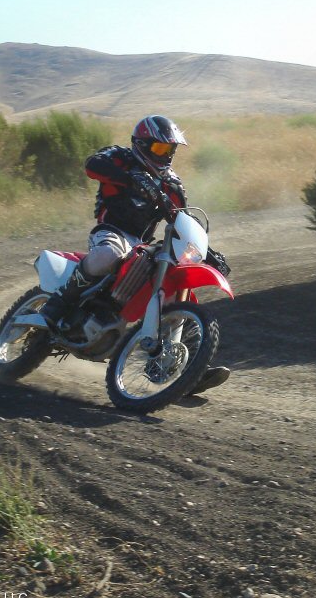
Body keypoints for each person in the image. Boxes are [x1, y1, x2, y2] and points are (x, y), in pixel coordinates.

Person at [39, 114, 231, 394]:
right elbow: (93, 165)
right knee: (107, 256)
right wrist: (131, 179)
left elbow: (181, 220)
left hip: (141, 244)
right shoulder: (119, 157)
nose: (166, 156)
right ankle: (56, 305)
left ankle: (188, 369)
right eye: (160, 149)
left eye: (170, 150)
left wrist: (208, 254)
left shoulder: (172, 184)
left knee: (181, 290)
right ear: (141, 143)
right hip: (111, 230)